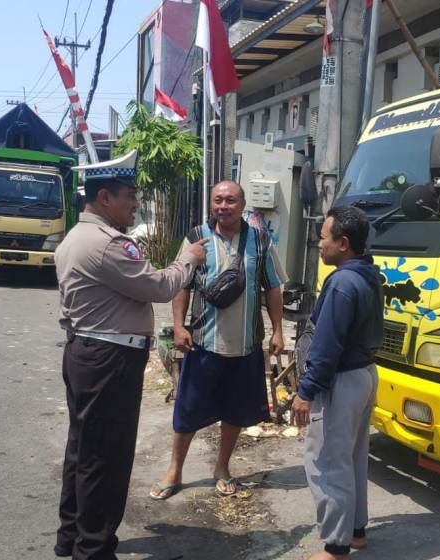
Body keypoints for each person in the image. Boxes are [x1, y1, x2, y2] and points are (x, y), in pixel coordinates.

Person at [53, 150, 209, 560]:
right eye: (129, 197)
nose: (135, 204)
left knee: (83, 448)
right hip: (108, 361)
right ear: (105, 198)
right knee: (106, 455)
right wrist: (186, 259)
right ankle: (94, 548)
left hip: (88, 353)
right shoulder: (108, 244)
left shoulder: (77, 236)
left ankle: (71, 535)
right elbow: (158, 287)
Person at [149, 180, 284, 500]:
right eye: (218, 200)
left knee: (235, 411)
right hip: (203, 342)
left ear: (243, 203)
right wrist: (178, 326)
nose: (224, 206)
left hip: (246, 345)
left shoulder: (260, 239)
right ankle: (175, 470)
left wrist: (277, 330)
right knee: (188, 409)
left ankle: (222, 468)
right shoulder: (197, 237)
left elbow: (273, 287)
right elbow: (182, 284)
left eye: (231, 200)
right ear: (211, 205)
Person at [291, 206, 384, 560]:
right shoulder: (368, 273)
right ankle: (356, 531)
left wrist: (306, 391)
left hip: (341, 381)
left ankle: (336, 547)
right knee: (354, 456)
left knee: (328, 460)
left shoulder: (342, 283)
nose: (319, 243)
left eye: (324, 237)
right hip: (364, 375)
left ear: (343, 243)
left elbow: (327, 345)